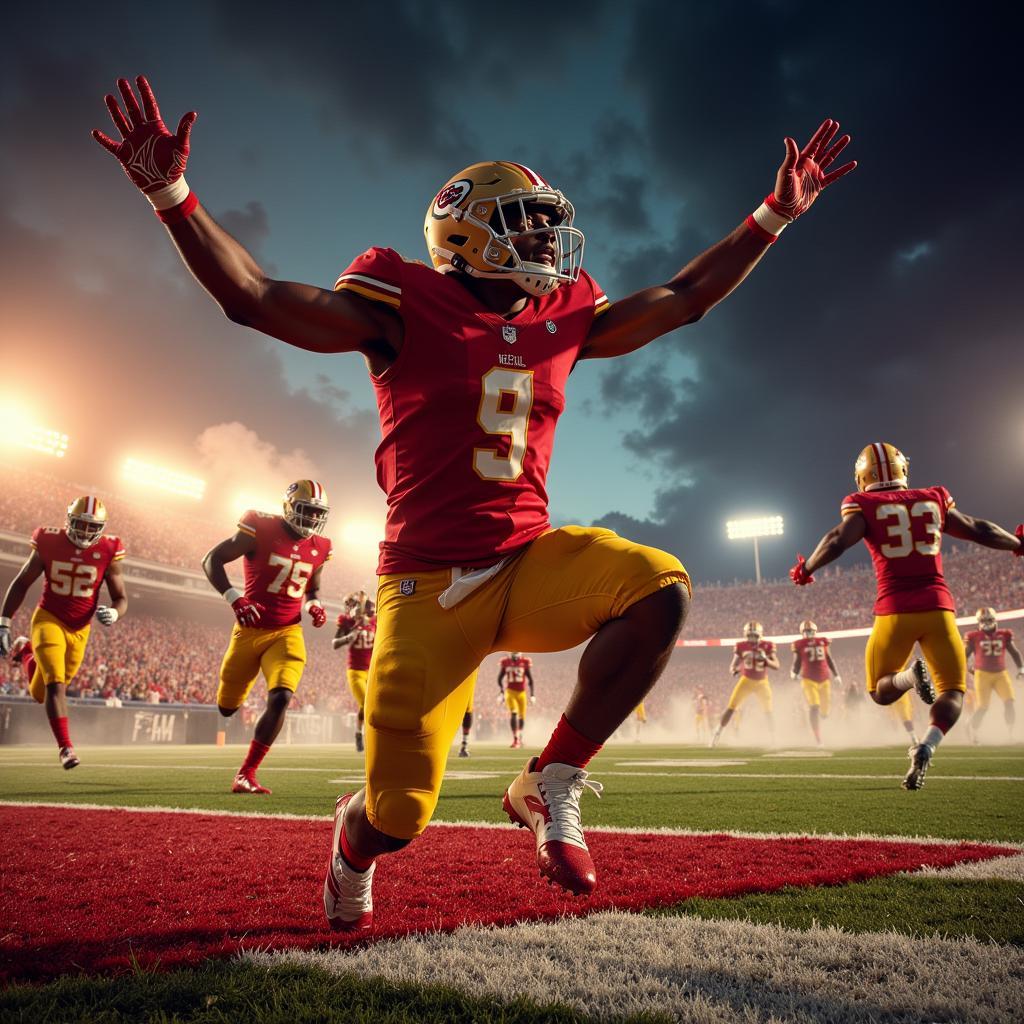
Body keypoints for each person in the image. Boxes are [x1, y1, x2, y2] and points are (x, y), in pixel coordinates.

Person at [95, 75, 855, 928]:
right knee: (399, 817)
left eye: (547, 220)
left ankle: (550, 779)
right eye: (525, 222)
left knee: (658, 586)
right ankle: (351, 845)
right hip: (426, 589)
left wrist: (773, 217)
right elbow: (258, 300)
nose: (549, 236)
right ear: (466, 234)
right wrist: (172, 195)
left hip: (528, 559)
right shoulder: (403, 298)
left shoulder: (564, 308)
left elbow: (682, 301)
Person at [791, 442, 1023, 789]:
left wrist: (806, 567)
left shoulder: (862, 503)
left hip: (894, 610)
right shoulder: (933, 498)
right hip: (939, 608)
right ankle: (927, 745)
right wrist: (1018, 544)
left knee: (881, 691)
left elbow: (839, 539)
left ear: (862, 477)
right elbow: (978, 529)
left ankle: (909, 679)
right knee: (954, 692)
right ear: (902, 471)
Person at [201, 481, 332, 794]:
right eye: (306, 511)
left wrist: (313, 603)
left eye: (318, 513)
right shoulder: (259, 525)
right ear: (289, 507)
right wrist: (235, 597)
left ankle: (247, 772)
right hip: (249, 630)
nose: (312, 519)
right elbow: (212, 559)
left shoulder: (322, 546)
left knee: (281, 697)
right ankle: (232, 708)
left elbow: (311, 586)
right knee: (227, 707)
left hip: (287, 632)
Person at [0, 497, 127, 769]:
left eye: (91, 526)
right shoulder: (49, 540)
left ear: (101, 528)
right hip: (49, 618)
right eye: (79, 524)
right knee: (56, 683)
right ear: (69, 521)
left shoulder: (108, 549)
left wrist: (115, 612)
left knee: (43, 693)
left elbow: (121, 597)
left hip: (80, 628)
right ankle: (66, 748)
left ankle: (26, 653)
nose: (84, 531)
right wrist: (4, 621)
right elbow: (22, 582)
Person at [710, 622, 779, 747]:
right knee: (731, 707)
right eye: (750, 635)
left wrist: (766, 660)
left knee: (768, 711)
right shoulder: (741, 646)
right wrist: (734, 670)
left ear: (760, 635)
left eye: (755, 635)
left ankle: (773, 737)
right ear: (746, 635)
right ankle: (717, 733)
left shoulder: (767, 646)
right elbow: (733, 665)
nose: (752, 638)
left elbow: (776, 665)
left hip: (762, 682)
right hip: (746, 681)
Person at [964, 607, 1021, 742]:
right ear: (979, 621)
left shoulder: (1004, 634)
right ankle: (974, 731)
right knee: (983, 707)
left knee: (1009, 702)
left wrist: (1021, 669)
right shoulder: (974, 636)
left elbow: (1014, 652)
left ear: (995, 619)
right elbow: (964, 656)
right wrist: (968, 669)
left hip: (1001, 673)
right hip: (982, 674)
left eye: (989, 619)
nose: (987, 622)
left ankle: (1010, 734)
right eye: (984, 620)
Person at [333, 591, 376, 753]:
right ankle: (367, 737)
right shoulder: (346, 621)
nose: (350, 608)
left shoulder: (374, 620)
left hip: (372, 672)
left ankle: (358, 732)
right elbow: (335, 643)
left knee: (367, 705)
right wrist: (349, 637)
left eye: (354, 604)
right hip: (356, 671)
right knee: (367, 704)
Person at [790, 619, 841, 747]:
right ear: (802, 632)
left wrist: (836, 675)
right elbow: (797, 661)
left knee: (824, 713)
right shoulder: (799, 644)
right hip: (808, 679)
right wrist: (794, 672)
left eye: (810, 631)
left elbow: (828, 658)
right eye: (806, 631)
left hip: (824, 680)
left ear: (815, 631)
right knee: (814, 706)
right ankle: (818, 739)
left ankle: (823, 720)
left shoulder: (822, 641)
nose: (808, 633)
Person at [498, 651, 535, 748]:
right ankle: (515, 739)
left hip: (522, 693)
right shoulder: (505, 661)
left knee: (522, 717)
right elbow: (499, 678)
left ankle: (520, 737)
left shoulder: (525, 661)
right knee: (514, 713)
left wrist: (532, 695)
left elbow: (530, 679)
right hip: (510, 692)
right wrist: (501, 692)